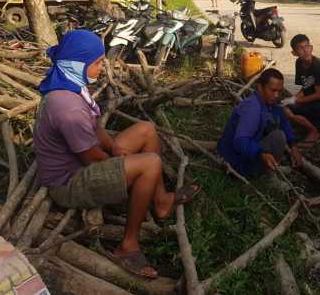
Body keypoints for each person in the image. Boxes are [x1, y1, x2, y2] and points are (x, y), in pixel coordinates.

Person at [33, 30, 200, 278]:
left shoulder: (72, 85)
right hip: (68, 182)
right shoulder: (67, 108)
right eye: (98, 63)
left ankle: (161, 200)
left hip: (82, 160)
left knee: (146, 129)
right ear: (78, 65)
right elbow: (89, 158)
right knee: (150, 164)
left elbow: (95, 125)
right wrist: (120, 162)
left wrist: (113, 147)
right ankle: (127, 246)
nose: (102, 68)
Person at [218, 68, 303, 176]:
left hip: (244, 152)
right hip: (235, 162)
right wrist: (261, 154)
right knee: (278, 136)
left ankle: (268, 167)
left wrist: (293, 147)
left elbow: (284, 122)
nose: (276, 95)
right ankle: (268, 175)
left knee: (277, 128)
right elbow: (240, 141)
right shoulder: (252, 108)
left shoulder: (271, 104)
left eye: (279, 91)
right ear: (259, 87)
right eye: (272, 90)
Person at [284, 34, 320, 144]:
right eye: (300, 48)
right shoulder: (299, 63)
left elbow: (318, 95)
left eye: (307, 46)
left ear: (311, 48)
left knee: (286, 110)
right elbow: (305, 88)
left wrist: (296, 101)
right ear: (294, 53)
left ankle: (314, 131)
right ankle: (300, 122)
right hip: (310, 102)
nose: (305, 50)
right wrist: (293, 99)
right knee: (285, 106)